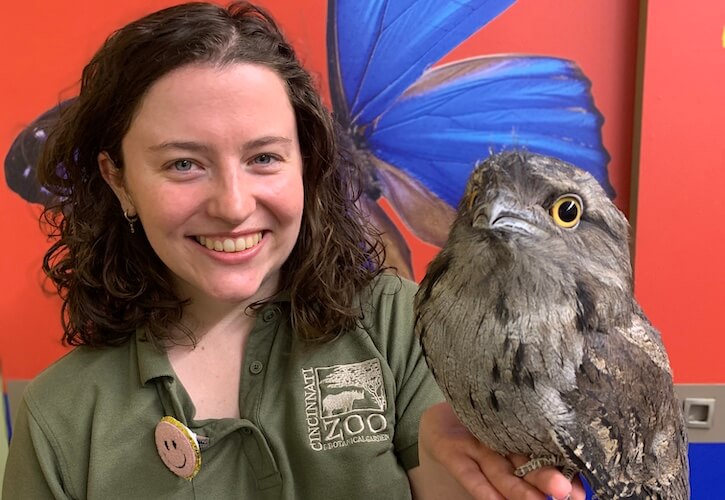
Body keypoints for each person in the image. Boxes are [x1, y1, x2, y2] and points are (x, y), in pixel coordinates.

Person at [3, 2, 584, 499]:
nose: (233, 205)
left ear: (305, 162)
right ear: (120, 179)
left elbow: (447, 474)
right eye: (183, 163)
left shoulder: (402, 324)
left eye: (264, 157)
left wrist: (463, 470)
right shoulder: (61, 419)